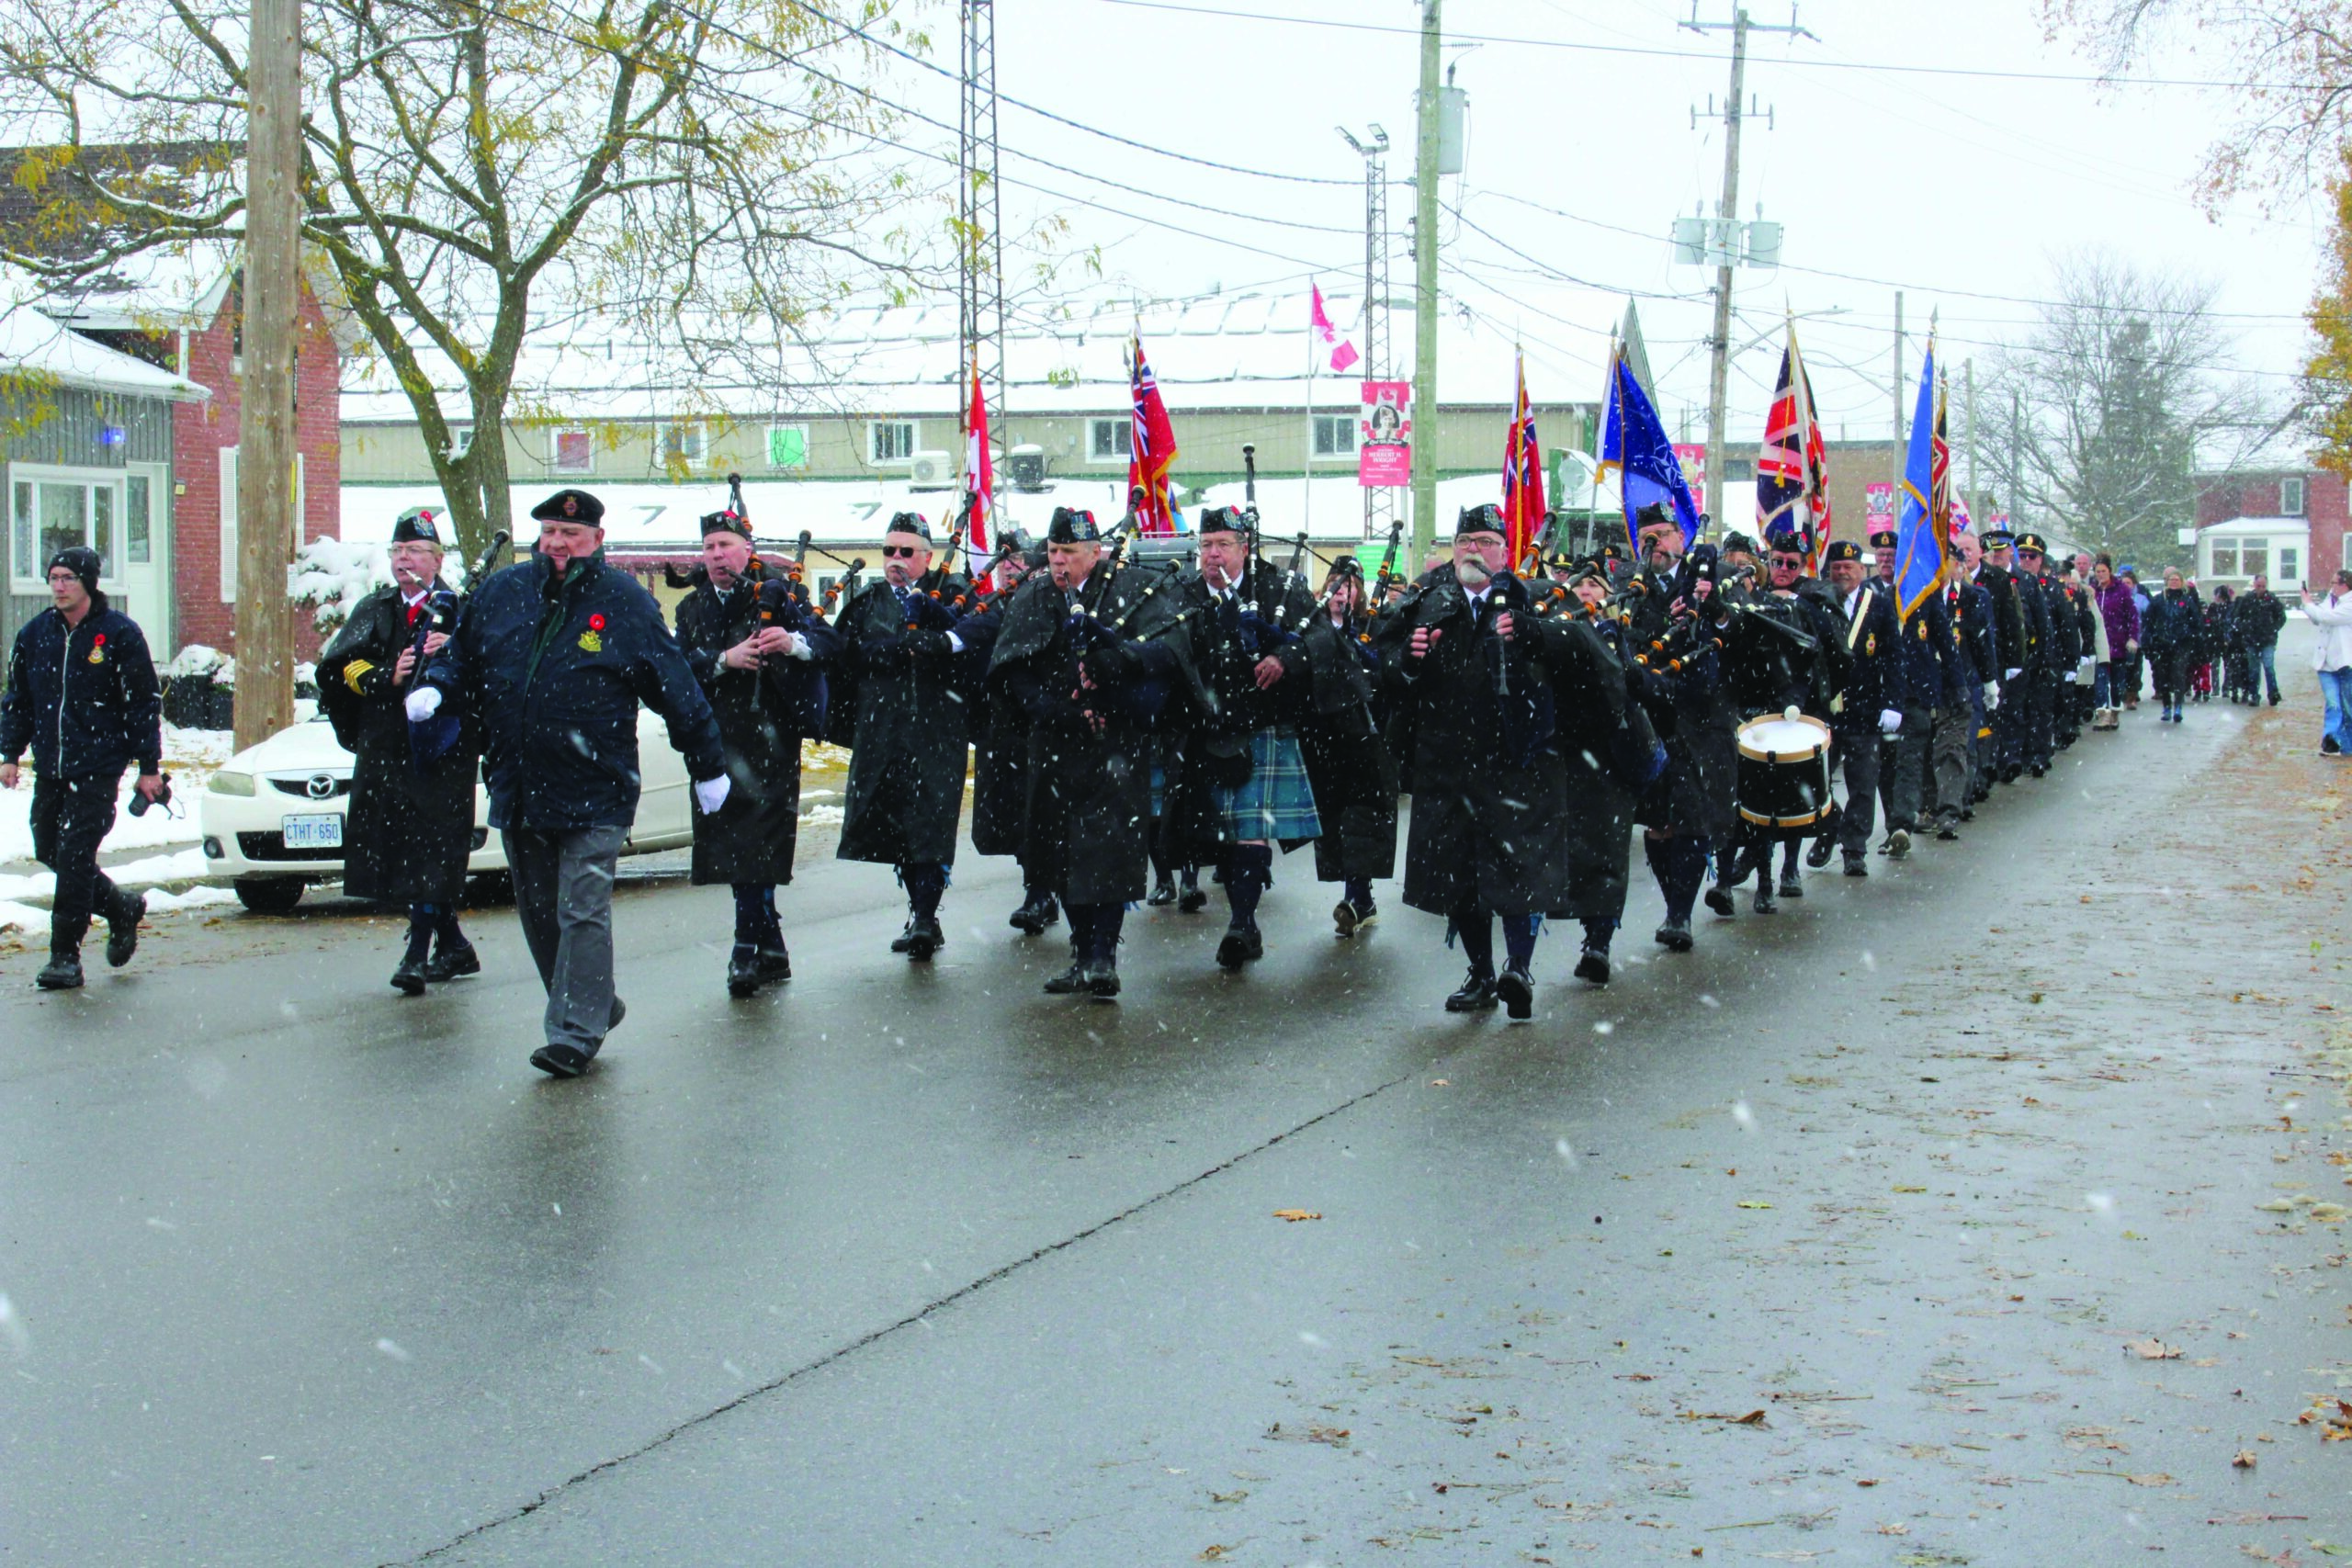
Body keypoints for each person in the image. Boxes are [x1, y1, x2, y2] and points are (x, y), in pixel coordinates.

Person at [412, 488, 729, 1077]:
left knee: (582, 908)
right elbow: (462, 654)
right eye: (550, 532)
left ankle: (574, 1033)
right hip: (519, 781)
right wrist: (438, 685)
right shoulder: (504, 592)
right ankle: (595, 1001)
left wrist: (707, 763)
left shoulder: (624, 601)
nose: (558, 543)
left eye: (571, 534)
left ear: (597, 541)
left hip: (596, 785)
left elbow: (675, 685)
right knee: (539, 912)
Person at [1377, 504, 1575, 1019]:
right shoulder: (1426, 601)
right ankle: (1482, 972)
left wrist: (1537, 637)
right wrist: (1409, 660)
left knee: (1519, 868)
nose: (1473, 549)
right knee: (1458, 873)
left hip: (1518, 761)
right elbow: (1384, 667)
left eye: (1486, 540)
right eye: (1465, 539)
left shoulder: (1537, 600)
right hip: (1448, 762)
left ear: (1504, 552)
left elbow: (1578, 657)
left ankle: (1519, 968)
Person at [988, 505, 1193, 998]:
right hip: (1055, 745)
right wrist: (1058, 711)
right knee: (1061, 854)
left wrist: (1115, 671)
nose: (1060, 564)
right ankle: (1080, 954)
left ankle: (1103, 957)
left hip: (1116, 745)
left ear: (1095, 553)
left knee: (1108, 854)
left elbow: (1167, 655)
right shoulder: (1035, 595)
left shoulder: (1130, 588)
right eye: (1054, 553)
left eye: (1070, 554)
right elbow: (1011, 671)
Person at [672, 504, 840, 996]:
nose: (718, 554)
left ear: (749, 551)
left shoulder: (778, 595)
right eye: (709, 547)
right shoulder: (691, 608)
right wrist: (724, 659)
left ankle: (745, 950)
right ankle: (772, 949)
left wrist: (792, 642)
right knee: (730, 847)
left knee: (757, 845)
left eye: (726, 545)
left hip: (770, 740)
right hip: (715, 741)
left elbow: (828, 641)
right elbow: (677, 667)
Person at [317, 507, 480, 994]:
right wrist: (385, 675)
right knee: (403, 851)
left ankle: (416, 953)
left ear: (437, 559)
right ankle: (451, 945)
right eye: (397, 551)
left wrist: (450, 654)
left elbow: (486, 670)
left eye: (414, 551)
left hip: (440, 752)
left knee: (431, 848)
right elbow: (338, 666)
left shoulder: (461, 608)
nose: (404, 559)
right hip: (387, 747)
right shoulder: (377, 607)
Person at [1160, 506, 1325, 971]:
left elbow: (1318, 640)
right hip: (1206, 729)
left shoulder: (1276, 588)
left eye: (1223, 545)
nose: (1213, 555)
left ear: (1244, 549)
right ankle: (1244, 923)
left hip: (1262, 726)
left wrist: (1285, 660)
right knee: (1221, 833)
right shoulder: (1181, 595)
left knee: (1250, 831)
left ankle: (1241, 922)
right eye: (1206, 546)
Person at [0, 546, 163, 989]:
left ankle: (64, 955)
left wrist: (150, 766)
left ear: (88, 581)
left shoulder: (118, 634)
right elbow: (19, 700)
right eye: (53, 577)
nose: (58, 586)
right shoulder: (35, 635)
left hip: (98, 765)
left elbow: (143, 703)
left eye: (67, 577)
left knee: (74, 857)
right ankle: (120, 907)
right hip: (52, 764)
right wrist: (10, 754)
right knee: (49, 849)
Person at [831, 513, 972, 961]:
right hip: (882, 731)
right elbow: (843, 655)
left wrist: (936, 645)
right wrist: (887, 652)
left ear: (927, 557)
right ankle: (919, 913)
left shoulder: (953, 596)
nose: (895, 560)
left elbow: (972, 648)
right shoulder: (868, 603)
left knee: (928, 823)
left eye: (906, 552)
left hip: (935, 731)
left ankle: (927, 918)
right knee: (894, 824)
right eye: (889, 551)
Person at [1624, 513, 1739, 948]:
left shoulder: (1714, 577)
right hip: (1655, 719)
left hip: (1703, 721)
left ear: (1680, 537)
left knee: (1693, 817)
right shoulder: (1634, 587)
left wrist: (1710, 609)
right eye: (1645, 536)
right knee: (1657, 823)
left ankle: (1679, 915)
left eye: (1662, 534)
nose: (1653, 542)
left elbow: (1735, 629)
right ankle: (1675, 901)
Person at [960, 534, 1063, 935]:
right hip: (1002, 727)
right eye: (1003, 558)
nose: (1007, 565)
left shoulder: (1043, 599)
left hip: (1045, 721)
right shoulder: (995, 602)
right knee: (1015, 813)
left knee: (1043, 811)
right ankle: (1038, 888)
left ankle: (1042, 894)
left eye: (1016, 557)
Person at [1299, 556, 1399, 938]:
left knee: (1364, 816)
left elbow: (1390, 669)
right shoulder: (1312, 625)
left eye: (1349, 585)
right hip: (1327, 735)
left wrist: (1365, 652)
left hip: (1368, 735)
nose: (1341, 591)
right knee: (1336, 819)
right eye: (1335, 584)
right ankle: (1359, 895)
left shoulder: (1374, 625)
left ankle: (1357, 896)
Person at [1804, 539, 1901, 879]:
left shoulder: (1880, 605)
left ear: (1862, 569)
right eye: (1836, 567)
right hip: (1825, 709)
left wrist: (1893, 702)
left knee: (1862, 781)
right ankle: (1829, 828)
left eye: (1849, 567)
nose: (1842, 573)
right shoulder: (1815, 601)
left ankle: (1854, 849)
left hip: (1866, 707)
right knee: (1817, 782)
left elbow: (1892, 656)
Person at [2142, 567, 2202, 723]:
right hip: (2162, 644)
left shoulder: (2187, 601)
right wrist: (2150, 639)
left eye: (2177, 580)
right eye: (2171, 580)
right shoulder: (2158, 600)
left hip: (2181, 645)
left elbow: (2196, 622)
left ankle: (2178, 706)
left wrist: (2190, 636)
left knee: (2179, 674)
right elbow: (2148, 621)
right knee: (2164, 677)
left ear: (2182, 583)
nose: (2174, 583)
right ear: (2166, 582)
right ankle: (2166, 706)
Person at [2302, 569, 2352, 756]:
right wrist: (2309, 607)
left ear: (2344, 585)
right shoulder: (2330, 601)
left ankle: (2347, 746)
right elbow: (2318, 618)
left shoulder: (2348, 604)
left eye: (2334, 583)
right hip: (2325, 663)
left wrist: (2308, 605)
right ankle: (2330, 741)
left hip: (2346, 663)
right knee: (2334, 703)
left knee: (2348, 707)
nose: (2331, 587)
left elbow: (2327, 617)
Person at [2088, 554, 2139, 729]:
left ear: (2110, 572)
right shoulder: (2092, 590)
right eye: (2097, 571)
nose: (2100, 574)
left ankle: (2115, 711)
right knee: (2100, 681)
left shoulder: (2121, 590)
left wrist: (2132, 637)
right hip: (2099, 643)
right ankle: (2103, 714)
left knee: (2117, 683)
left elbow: (2132, 615)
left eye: (2103, 571)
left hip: (2118, 642)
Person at [2237, 573, 2288, 707]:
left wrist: (2273, 629)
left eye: (2263, 586)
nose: (2261, 589)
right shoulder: (2247, 599)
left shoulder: (2272, 600)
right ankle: (2254, 695)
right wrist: (2245, 629)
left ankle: (2273, 693)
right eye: (2258, 586)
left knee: (2268, 666)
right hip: (2251, 640)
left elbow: (2281, 617)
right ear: (2254, 585)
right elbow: (2238, 616)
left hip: (2267, 640)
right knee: (2253, 669)